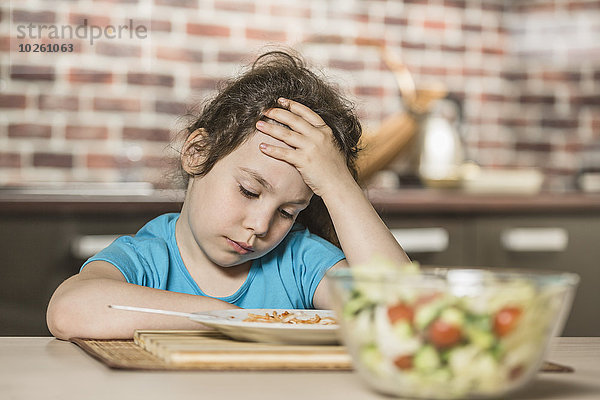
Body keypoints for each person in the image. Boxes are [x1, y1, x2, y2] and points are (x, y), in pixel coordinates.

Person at [46, 49, 410, 339]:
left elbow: (405, 313)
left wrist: (338, 185)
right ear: (198, 152)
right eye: (249, 191)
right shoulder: (148, 258)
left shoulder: (300, 260)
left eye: (288, 211)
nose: (259, 225)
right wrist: (232, 319)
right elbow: (69, 309)